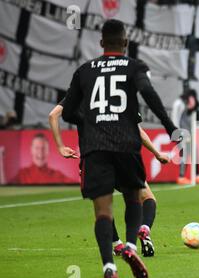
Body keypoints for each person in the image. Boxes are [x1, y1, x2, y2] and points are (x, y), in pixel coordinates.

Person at [61, 19, 179, 278]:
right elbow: (149, 94)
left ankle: (109, 268)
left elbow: (68, 113)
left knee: (103, 211)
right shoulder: (134, 66)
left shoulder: (84, 70)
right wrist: (170, 128)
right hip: (126, 144)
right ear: (125, 43)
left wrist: (91, 121)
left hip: (95, 148)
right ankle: (129, 246)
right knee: (134, 198)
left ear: (101, 43)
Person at [49, 102, 171, 258]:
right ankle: (145, 228)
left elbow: (53, 115)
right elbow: (137, 131)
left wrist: (60, 146)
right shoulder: (121, 94)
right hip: (123, 156)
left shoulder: (80, 92)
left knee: (102, 207)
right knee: (147, 198)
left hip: (94, 158)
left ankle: (117, 245)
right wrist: (157, 153)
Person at [171, 89, 199, 185]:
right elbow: (175, 118)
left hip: (189, 133)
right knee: (184, 154)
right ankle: (181, 177)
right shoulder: (179, 103)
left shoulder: (190, 105)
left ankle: (198, 175)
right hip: (181, 132)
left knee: (195, 153)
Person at [11, 133, 76, 184]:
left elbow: (77, 183)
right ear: (31, 150)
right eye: (37, 148)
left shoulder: (57, 175)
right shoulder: (22, 174)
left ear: (48, 151)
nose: (40, 152)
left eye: (43, 148)